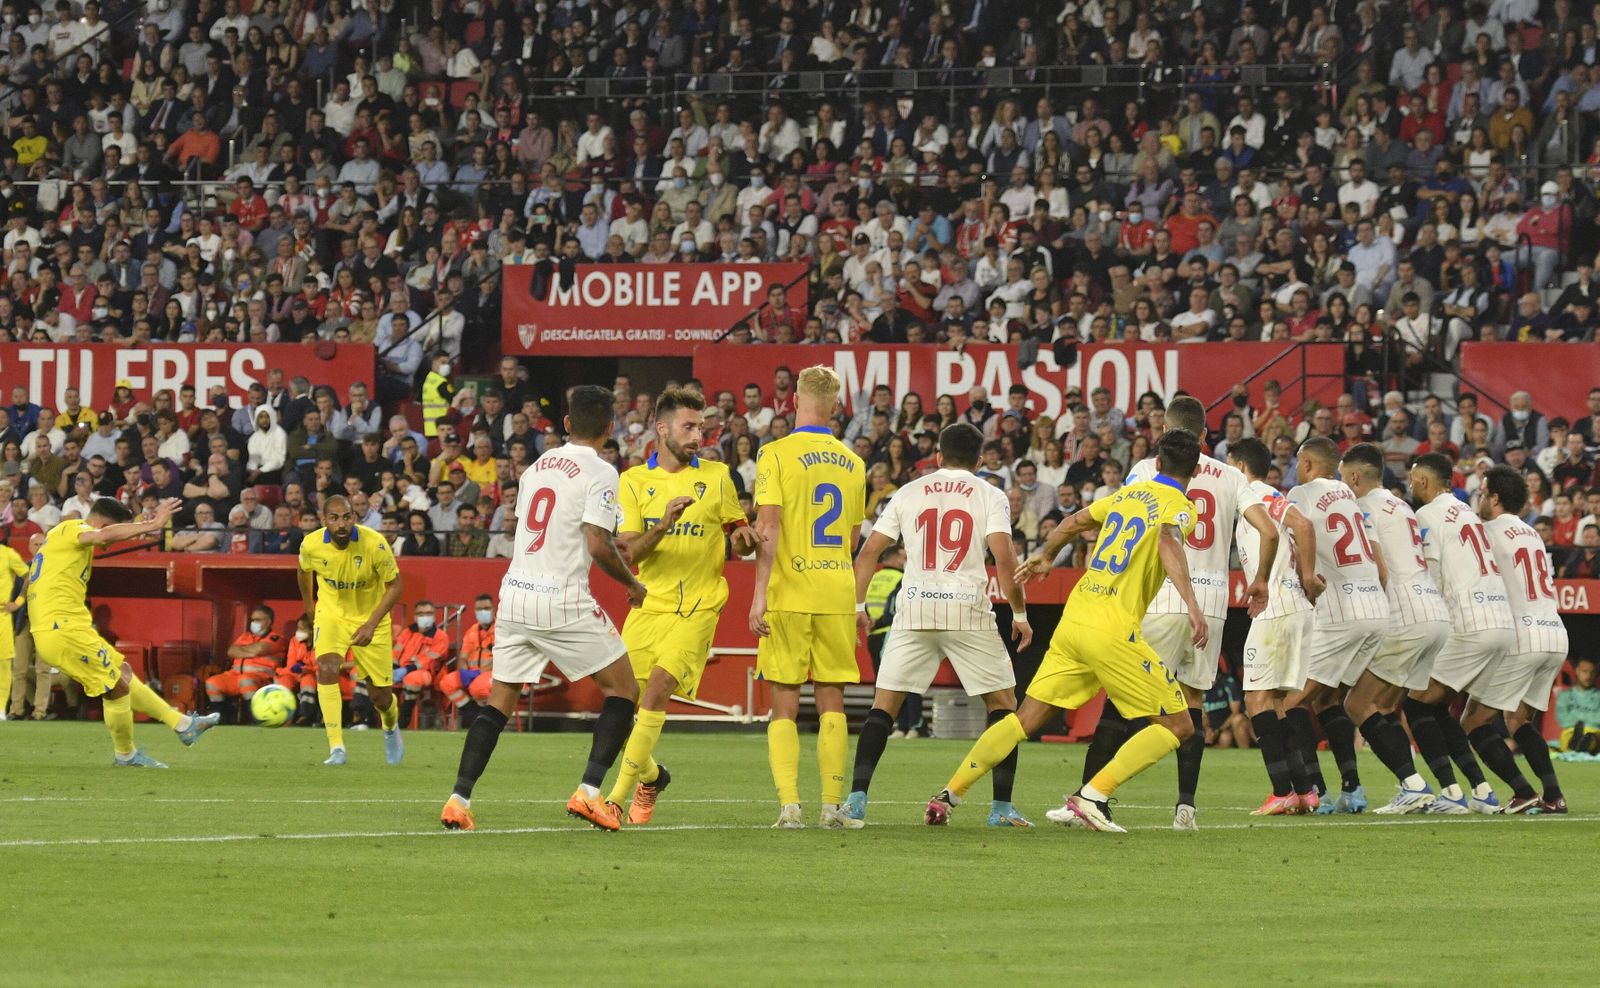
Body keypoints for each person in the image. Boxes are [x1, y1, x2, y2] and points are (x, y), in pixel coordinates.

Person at [929, 430, 1206, 833]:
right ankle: (1092, 795)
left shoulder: (1128, 494)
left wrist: (1045, 555)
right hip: (1112, 628)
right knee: (1179, 726)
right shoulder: (1180, 505)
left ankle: (949, 794)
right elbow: (1167, 537)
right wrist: (1193, 606)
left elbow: (1075, 521)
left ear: (1158, 464)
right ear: (1195, 471)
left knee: (1025, 718)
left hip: (1075, 617)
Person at [440, 385, 647, 833]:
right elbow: (597, 541)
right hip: (561, 596)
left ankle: (459, 798)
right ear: (610, 429)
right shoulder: (603, 471)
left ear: (567, 424)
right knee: (624, 691)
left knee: (498, 703)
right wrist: (632, 583)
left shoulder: (535, 467)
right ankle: (590, 793)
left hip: (514, 594)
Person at [1083, 396, 1276, 831]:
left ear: (1163, 433)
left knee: (1121, 699)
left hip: (1164, 598)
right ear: (1206, 435)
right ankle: (1185, 807)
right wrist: (1260, 579)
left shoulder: (1147, 470)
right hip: (1213, 605)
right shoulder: (1230, 475)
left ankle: (1088, 796)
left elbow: (1125, 526)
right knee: (1192, 705)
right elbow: (1268, 528)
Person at [845, 422, 1034, 827]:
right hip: (966, 607)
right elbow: (1004, 559)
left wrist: (859, 604)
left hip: (914, 609)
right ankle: (1001, 808)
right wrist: (1019, 615)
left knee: (884, 707)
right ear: (980, 461)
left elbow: (868, 553)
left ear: (937, 457)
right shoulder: (990, 494)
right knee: (1003, 707)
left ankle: (856, 801)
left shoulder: (908, 491)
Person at [604, 388, 760, 824]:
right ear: (661, 429)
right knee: (620, 709)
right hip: (649, 605)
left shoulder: (717, 476)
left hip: (700, 605)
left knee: (657, 690)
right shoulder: (633, 481)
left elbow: (737, 532)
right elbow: (629, 552)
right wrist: (664, 524)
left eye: (702, 427)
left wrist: (744, 539)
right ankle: (651, 777)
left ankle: (614, 799)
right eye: (689, 427)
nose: (699, 435)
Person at [747, 365, 867, 830]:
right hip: (836, 591)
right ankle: (832, 807)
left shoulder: (775, 455)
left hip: (789, 591)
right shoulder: (854, 462)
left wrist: (759, 595)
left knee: (784, 699)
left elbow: (769, 527)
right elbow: (852, 538)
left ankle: (790, 806)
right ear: (835, 405)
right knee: (832, 697)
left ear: (795, 399)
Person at [27, 497, 219, 766]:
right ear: (103, 523)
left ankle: (183, 723)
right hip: (62, 629)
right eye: (111, 532)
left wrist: (142, 523)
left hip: (68, 627)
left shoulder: (59, 542)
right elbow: (104, 535)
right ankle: (126, 754)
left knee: (123, 673)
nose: (109, 543)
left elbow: (108, 534)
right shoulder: (72, 528)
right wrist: (154, 523)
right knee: (115, 688)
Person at [1405, 453, 1537, 815]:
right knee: (1440, 706)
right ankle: (1483, 791)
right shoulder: (1466, 511)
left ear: (1426, 482)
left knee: (1414, 702)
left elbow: (1430, 576)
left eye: (1414, 479)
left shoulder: (1426, 515)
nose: (1411, 485)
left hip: (1470, 621)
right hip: (1501, 622)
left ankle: (1451, 793)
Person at [1339, 443, 1456, 814]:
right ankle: (1437, 789)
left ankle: (1413, 784)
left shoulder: (1361, 508)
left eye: (1343, 477)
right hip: (1433, 610)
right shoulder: (1402, 505)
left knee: (1357, 703)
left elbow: (1378, 566)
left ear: (1355, 476)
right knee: (1386, 707)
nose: (1342, 484)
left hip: (1404, 612)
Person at [1283, 437, 1390, 814]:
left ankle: (1315, 792)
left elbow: (1301, 534)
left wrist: (1307, 577)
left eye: (1299, 462)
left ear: (1309, 464)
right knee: (1329, 699)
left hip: (1340, 609)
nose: (1296, 469)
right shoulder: (1351, 497)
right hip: (1376, 606)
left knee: (1287, 701)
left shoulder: (1301, 492)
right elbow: (1381, 567)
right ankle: (1353, 789)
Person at [1224, 438, 1325, 815]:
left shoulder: (1256, 494)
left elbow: (1303, 523)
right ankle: (1304, 790)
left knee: (1256, 699)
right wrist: (1307, 578)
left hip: (1278, 608)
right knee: (1278, 703)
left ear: (1239, 465)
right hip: (1293, 608)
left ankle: (1282, 789)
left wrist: (1309, 575)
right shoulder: (1267, 495)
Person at [1480, 466, 1570, 814]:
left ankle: (1522, 791)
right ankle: (1553, 794)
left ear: (1495, 498)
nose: (1479, 499)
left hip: (1523, 633)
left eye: (1483, 493)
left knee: (1474, 722)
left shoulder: (1486, 532)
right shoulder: (1532, 533)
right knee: (1518, 720)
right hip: (1554, 630)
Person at [297, 494, 406, 766]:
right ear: (324, 521)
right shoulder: (311, 544)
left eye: (346, 517)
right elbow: (303, 571)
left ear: (354, 518)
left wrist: (371, 624)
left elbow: (396, 586)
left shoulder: (375, 544)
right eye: (334, 518)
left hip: (371, 619)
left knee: (380, 696)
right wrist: (311, 609)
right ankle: (337, 748)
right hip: (331, 614)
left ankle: (390, 725)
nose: (341, 524)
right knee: (326, 668)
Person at [203, 606, 289, 723]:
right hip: (235, 675)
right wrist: (251, 650)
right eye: (253, 620)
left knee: (246, 680)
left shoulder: (276, 638)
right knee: (212, 682)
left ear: (268, 622)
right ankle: (223, 717)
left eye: (258, 620)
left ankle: (259, 717)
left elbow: (258, 650)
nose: (254, 623)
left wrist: (243, 650)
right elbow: (231, 651)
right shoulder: (245, 636)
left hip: (262, 678)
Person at [437, 594, 496, 724]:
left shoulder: (502, 630)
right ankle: (473, 714)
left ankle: (491, 718)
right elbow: (463, 657)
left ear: (494, 609)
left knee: (479, 688)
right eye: (479, 609)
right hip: (473, 674)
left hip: (494, 674)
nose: (483, 612)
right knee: (447, 682)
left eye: (487, 608)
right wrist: (464, 672)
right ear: (475, 611)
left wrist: (479, 673)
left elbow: (504, 659)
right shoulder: (471, 631)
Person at [391, 599, 449, 729]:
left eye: (428, 613)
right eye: (421, 613)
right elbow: (396, 652)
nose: (425, 616)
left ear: (434, 616)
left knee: (412, 679)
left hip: (429, 674)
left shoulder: (440, 636)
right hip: (401, 671)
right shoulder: (407, 632)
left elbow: (430, 660)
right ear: (415, 616)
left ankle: (404, 720)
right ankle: (365, 720)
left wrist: (407, 669)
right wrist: (393, 668)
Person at [0, 539, 30, 721]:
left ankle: (0, 708)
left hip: (1, 615)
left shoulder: (8, 554)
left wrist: (18, 603)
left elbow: (28, 576)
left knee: (3, 665)